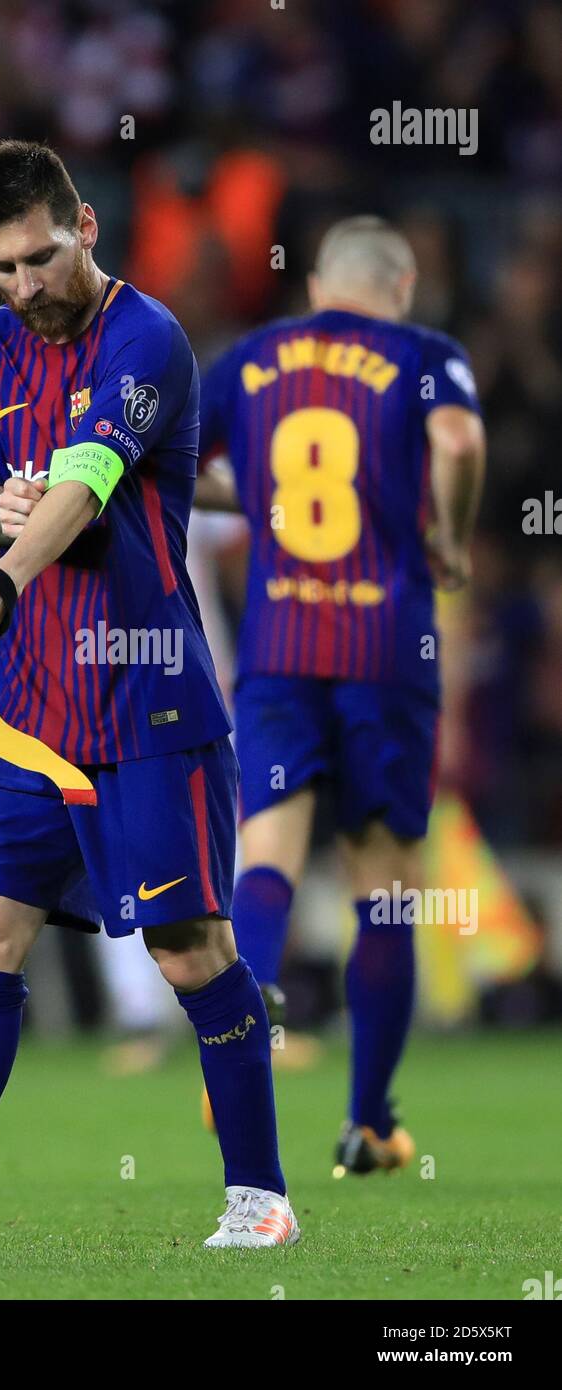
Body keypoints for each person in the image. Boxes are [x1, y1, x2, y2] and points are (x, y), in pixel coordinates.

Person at [0, 141, 299, 1253]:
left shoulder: (147, 337)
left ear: (82, 227)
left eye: (39, 257)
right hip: (23, 705)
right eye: (0, 267)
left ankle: (259, 1197)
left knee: (186, 948)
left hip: (144, 698)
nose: (25, 287)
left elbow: (86, 481)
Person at [194, 216, 485, 1175]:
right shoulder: (426, 355)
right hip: (386, 650)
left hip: (280, 647)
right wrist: (449, 533)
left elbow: (173, 470)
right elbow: (457, 440)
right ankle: (368, 1122)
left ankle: (250, 1013)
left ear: (318, 282)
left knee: (268, 848)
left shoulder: (252, 360)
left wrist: (261, 500)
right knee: (386, 889)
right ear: (401, 287)